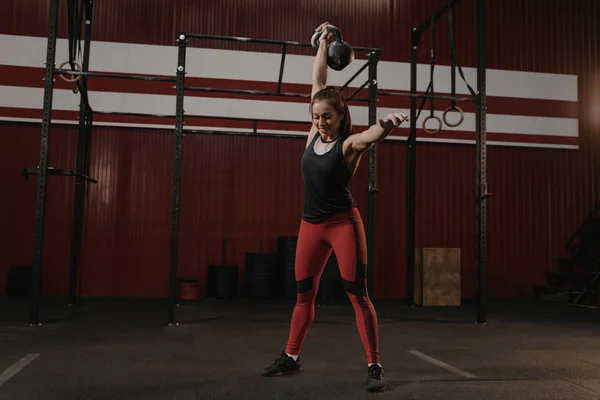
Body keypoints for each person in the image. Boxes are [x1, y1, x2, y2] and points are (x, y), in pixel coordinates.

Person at [260, 22, 408, 393]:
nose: (321, 122)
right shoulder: (312, 133)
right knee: (302, 296)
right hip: (310, 226)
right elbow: (318, 80)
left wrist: (387, 124)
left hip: (343, 225)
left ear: (341, 116)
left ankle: (375, 366)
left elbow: (369, 137)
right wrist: (324, 45)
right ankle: (291, 358)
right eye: (316, 116)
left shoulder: (348, 144)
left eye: (327, 117)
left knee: (358, 295)